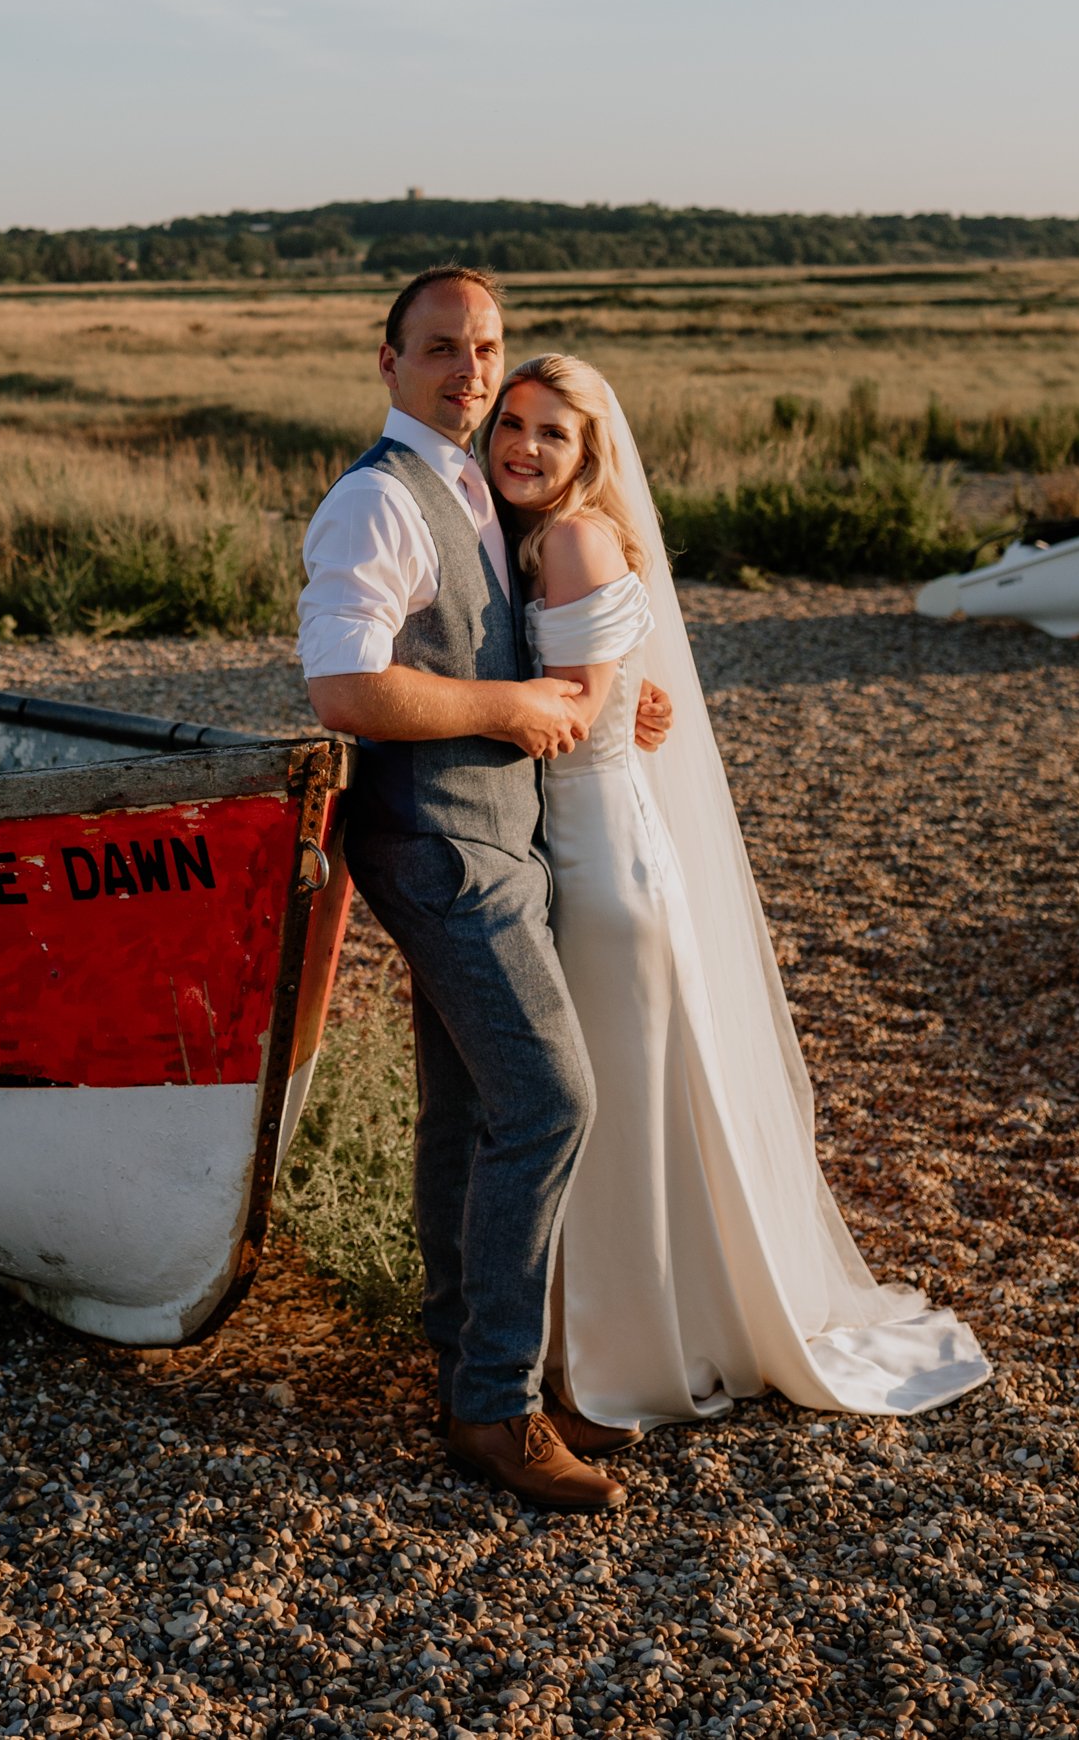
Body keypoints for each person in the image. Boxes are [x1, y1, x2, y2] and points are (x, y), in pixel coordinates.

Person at [483, 352, 992, 1423]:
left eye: (549, 433)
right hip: (592, 838)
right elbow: (607, 681)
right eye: (510, 425)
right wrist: (625, 695)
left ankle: (628, 1353)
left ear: (588, 452)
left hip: (596, 857)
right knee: (635, 1097)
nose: (522, 447)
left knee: (617, 1104)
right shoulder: (543, 537)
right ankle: (643, 1327)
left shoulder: (572, 535)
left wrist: (457, 702)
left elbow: (571, 710)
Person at [297, 268, 673, 1512]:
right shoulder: (374, 501)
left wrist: (610, 696)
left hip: (494, 836)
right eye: (441, 349)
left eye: (486, 348)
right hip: (439, 847)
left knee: (465, 1107)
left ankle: (464, 1352)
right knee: (551, 1100)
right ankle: (494, 1408)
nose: (468, 371)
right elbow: (348, 688)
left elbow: (513, 639)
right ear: (389, 362)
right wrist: (509, 708)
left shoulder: (472, 488)